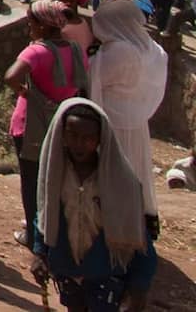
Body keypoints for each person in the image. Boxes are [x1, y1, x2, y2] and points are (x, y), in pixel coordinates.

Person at [30, 99, 159, 312]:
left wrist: (139, 286)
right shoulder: (55, 176)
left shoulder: (120, 181)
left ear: (100, 139)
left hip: (106, 274)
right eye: (73, 135)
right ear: (62, 134)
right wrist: (39, 253)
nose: (79, 144)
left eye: (88, 138)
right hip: (68, 271)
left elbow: (138, 235)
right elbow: (45, 216)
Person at [6, 0, 92, 248]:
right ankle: (53, 233)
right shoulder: (75, 49)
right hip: (62, 122)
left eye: (31, 22)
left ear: (42, 25)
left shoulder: (37, 50)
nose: (28, 26)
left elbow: (11, 76)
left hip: (30, 124)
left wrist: (25, 92)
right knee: (53, 181)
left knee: (31, 183)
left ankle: (34, 238)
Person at [88, 0, 169, 223]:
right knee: (136, 173)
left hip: (112, 123)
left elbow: (93, 78)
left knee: (111, 176)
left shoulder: (119, 52)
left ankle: (112, 225)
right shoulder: (151, 49)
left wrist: (93, 55)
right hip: (136, 122)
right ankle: (135, 224)